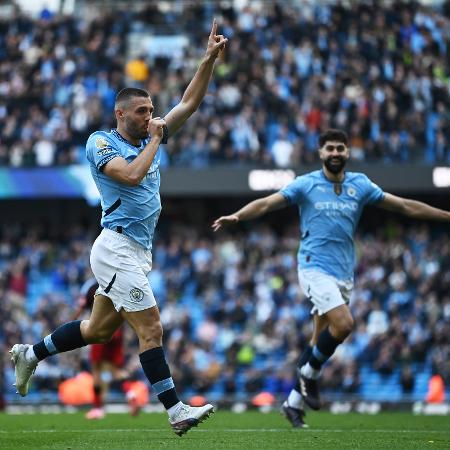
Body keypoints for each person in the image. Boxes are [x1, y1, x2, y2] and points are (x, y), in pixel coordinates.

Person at [10, 19, 227, 437]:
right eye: (142, 112)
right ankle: (175, 410)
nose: (151, 117)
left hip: (137, 251)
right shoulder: (100, 141)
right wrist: (156, 140)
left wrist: (207, 60)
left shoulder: (151, 134)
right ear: (121, 113)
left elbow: (189, 104)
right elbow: (128, 176)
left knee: (97, 330)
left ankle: (30, 353)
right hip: (115, 247)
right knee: (152, 329)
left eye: (151, 110)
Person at [212, 128, 450, 428]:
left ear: (348, 152)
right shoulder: (306, 184)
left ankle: (293, 404)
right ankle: (308, 377)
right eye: (330, 149)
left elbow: (405, 206)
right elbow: (267, 203)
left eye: (340, 148)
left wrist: (446, 216)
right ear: (320, 153)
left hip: (343, 273)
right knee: (345, 324)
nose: (335, 153)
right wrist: (238, 216)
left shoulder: (360, 185)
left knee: (317, 343)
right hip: (313, 268)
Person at [72, 277, 136, 419]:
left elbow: (80, 307)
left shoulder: (90, 286)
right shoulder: (118, 282)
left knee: (96, 370)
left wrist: (70, 326)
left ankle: (97, 408)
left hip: (100, 329)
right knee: (116, 370)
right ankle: (131, 394)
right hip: (118, 330)